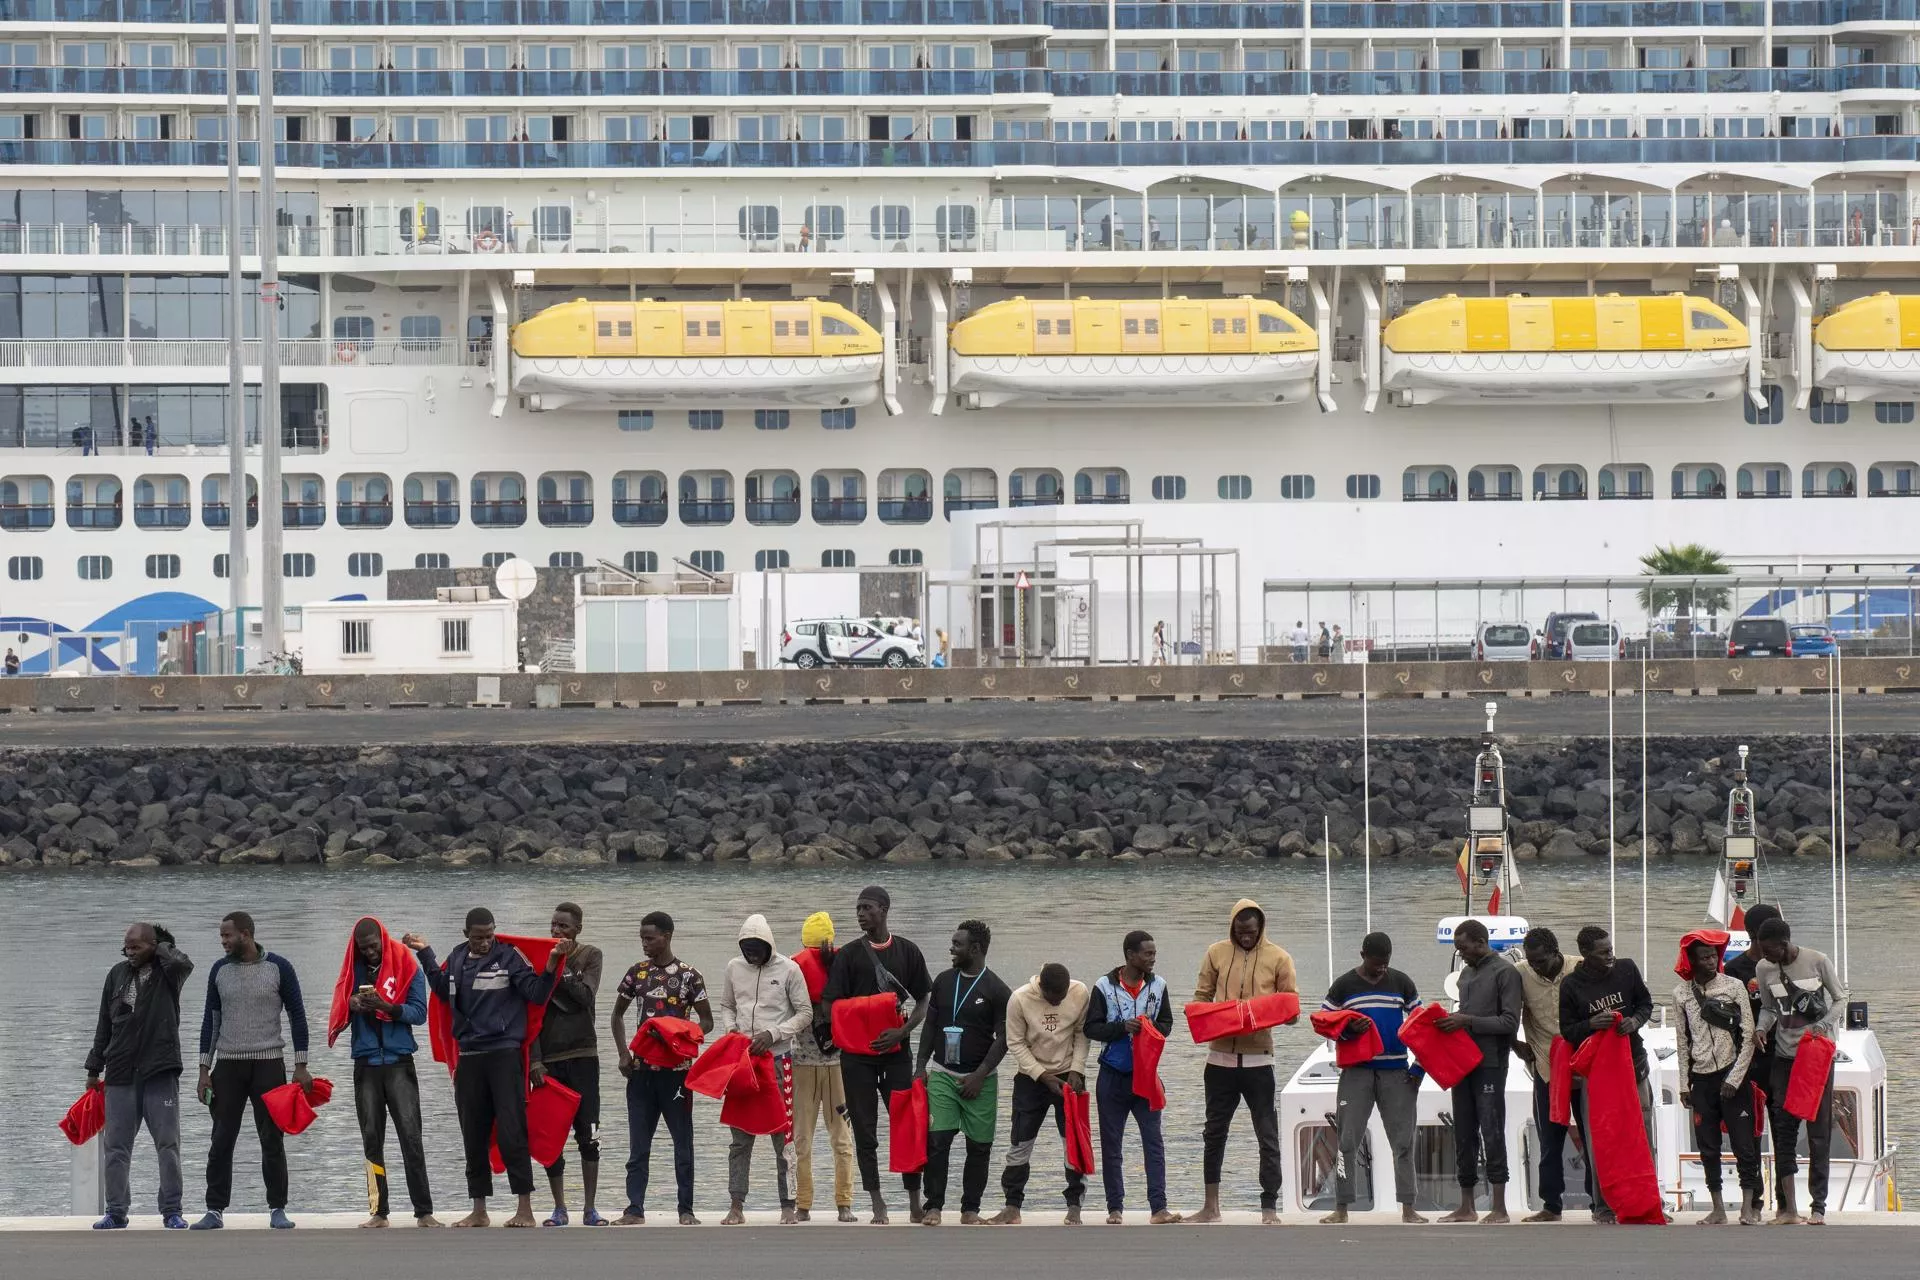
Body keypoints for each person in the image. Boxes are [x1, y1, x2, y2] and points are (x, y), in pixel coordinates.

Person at [406, 909, 569, 1229]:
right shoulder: (455, 958)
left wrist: (551, 964)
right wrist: (425, 953)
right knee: (473, 1134)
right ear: (466, 933)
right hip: (469, 1057)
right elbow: (441, 988)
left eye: (489, 935)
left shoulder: (509, 957)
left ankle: (525, 1208)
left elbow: (536, 993)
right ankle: (479, 1209)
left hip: (504, 1055)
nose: (484, 942)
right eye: (478, 937)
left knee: (512, 1131)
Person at [192, 911, 310, 1231]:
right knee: (221, 1140)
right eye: (221, 936)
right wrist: (204, 1069)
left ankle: (277, 1208)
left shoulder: (279, 968)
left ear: (245, 934)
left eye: (227, 936)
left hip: (269, 1063)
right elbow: (210, 1022)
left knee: (271, 1138)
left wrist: (301, 1066)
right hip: (227, 1065)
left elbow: (297, 1017)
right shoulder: (219, 970)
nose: (223, 942)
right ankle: (215, 1210)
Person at [822, 885, 933, 1224]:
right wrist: (853, 1029)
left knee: (908, 1125)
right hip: (857, 1057)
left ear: (884, 910)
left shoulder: (908, 951)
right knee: (865, 1129)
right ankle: (877, 1203)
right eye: (857, 908)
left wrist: (902, 1032)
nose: (860, 913)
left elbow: (924, 999)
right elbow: (829, 1004)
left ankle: (915, 1200)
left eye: (867, 908)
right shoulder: (849, 955)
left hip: (897, 1052)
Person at [1190, 898, 1295, 1225]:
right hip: (1219, 1059)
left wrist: (1261, 1013)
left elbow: (1291, 1009)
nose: (1245, 936)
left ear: (1260, 927)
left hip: (1259, 1061)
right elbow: (1201, 997)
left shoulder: (1279, 957)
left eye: (1250, 931)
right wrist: (1214, 1016)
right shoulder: (1216, 952)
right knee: (1214, 1132)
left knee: (1267, 1135)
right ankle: (1211, 1206)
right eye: (1239, 931)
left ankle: (1269, 1207)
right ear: (1232, 927)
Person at [86, 923, 194, 1230]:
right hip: (120, 1071)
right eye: (126, 948)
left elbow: (183, 962)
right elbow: (104, 1024)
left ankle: (172, 1210)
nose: (130, 953)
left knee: (167, 1145)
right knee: (116, 1146)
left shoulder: (169, 974)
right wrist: (94, 1069)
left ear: (154, 945)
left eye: (136, 947)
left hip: (160, 1070)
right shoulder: (117, 974)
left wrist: (160, 946)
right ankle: (116, 1211)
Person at [609, 910, 712, 1226]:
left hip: (677, 1073)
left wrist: (682, 1034)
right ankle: (635, 1208)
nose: (644, 943)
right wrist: (623, 1055)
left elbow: (707, 1021)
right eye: (642, 937)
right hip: (640, 1072)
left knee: (683, 1144)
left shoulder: (688, 976)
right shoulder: (636, 974)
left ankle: (686, 1210)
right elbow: (617, 1016)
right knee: (638, 1144)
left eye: (649, 938)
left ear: (667, 936)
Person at [1318, 932, 1425, 1225]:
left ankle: (1408, 1208)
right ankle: (1341, 1208)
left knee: (1403, 1143)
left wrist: (1419, 1068)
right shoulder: (1343, 986)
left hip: (1397, 1072)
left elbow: (1424, 1026)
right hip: (1357, 1072)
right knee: (1347, 1141)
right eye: (1377, 964)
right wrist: (1349, 1029)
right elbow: (1324, 1023)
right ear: (1362, 954)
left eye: (1386, 964)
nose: (1381, 969)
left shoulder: (1402, 983)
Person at [714, 913, 812, 1225]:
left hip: (778, 1061)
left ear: (768, 944)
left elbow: (805, 1012)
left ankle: (788, 1204)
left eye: (756, 948)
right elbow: (727, 1005)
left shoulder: (789, 969)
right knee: (739, 1138)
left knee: (782, 1137)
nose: (750, 954)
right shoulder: (733, 967)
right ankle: (736, 1205)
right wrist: (732, 1031)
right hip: (742, 1062)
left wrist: (774, 1034)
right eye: (746, 948)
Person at [341, 917, 436, 1228]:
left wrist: (387, 1007)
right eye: (363, 948)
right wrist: (353, 1003)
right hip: (366, 1064)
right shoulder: (351, 971)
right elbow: (339, 1008)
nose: (369, 952)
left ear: (383, 939)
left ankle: (424, 1211)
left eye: (373, 946)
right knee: (371, 1140)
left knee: (411, 1138)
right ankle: (378, 1212)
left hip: (398, 1063)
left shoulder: (408, 967)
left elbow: (419, 1013)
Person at [916, 920, 1011, 1227]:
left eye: (957, 944)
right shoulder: (943, 981)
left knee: (979, 1147)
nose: (951, 949)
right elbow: (930, 1026)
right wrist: (920, 1066)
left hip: (980, 1079)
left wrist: (981, 1074)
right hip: (943, 1073)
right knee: (938, 1140)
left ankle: (970, 1209)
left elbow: (1005, 1038)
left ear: (976, 949)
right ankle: (934, 1206)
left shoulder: (997, 989)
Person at [1557, 926, 1654, 1225]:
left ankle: (1649, 1199)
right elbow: (1567, 1031)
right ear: (1586, 954)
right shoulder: (1571, 985)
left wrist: (1634, 1021)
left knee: (1643, 1133)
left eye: (1610, 948)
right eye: (1603, 952)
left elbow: (1645, 1004)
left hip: (1633, 1065)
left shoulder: (1627, 969)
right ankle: (1604, 1205)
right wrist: (1591, 1024)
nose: (1611, 955)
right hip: (1597, 1073)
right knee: (1601, 1137)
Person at [1753, 916, 1845, 1225]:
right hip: (1784, 1055)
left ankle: (1818, 1206)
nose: (1763, 954)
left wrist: (1821, 1025)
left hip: (1816, 1056)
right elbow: (1768, 1008)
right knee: (1783, 1128)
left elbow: (1840, 998)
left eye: (1768, 949)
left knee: (1818, 1131)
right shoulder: (1764, 969)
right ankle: (1790, 1208)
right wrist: (1761, 1029)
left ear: (1784, 944)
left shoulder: (1817, 960)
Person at [1084, 930, 1179, 1225]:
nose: (1153, 958)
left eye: (1154, 953)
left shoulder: (1159, 985)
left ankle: (1158, 1208)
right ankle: (1115, 1208)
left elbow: (1167, 1023)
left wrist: (1151, 1029)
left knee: (1153, 1142)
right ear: (1129, 955)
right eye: (1147, 954)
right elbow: (1091, 1028)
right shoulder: (1103, 986)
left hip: (1146, 1075)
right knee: (1112, 1144)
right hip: (1112, 1075)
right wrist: (1121, 1027)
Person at [1435, 918, 1523, 1225]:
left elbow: (1509, 1023)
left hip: (1490, 1064)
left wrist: (1466, 1020)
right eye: (1458, 949)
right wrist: (1451, 1021)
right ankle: (1467, 1206)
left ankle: (1499, 1207)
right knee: (1464, 1133)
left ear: (1480, 942)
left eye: (1463, 947)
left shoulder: (1506, 973)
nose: (1461, 954)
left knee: (1492, 1130)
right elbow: (1468, 1017)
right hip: (1462, 1063)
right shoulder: (1466, 974)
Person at [993, 962, 1090, 1225]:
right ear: (1042, 988)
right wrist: (1041, 1075)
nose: (1058, 1003)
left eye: (1062, 998)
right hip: (1031, 1077)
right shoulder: (1020, 999)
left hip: (1069, 1076)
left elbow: (1082, 1034)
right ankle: (1012, 1206)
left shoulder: (1080, 992)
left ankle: (1074, 1206)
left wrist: (1077, 1069)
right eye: (1053, 998)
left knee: (1074, 1143)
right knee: (1020, 1142)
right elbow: (1015, 1042)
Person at [1672, 931, 1759, 1225]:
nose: (1711, 962)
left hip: (1732, 1071)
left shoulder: (1734, 987)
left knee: (1743, 1143)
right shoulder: (1681, 994)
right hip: (1701, 1078)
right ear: (1692, 961)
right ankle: (1718, 1207)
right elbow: (1682, 1041)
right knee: (1708, 1146)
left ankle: (1748, 1205)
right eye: (1704, 958)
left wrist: (1735, 1077)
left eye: (1713, 956)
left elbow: (1748, 1035)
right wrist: (1684, 1083)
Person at [530, 902, 605, 1227]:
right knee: (552, 1135)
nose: (556, 931)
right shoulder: (538, 961)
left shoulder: (591, 956)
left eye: (563, 927)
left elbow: (586, 997)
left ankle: (590, 1208)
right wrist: (534, 1060)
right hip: (549, 1061)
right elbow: (530, 1013)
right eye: (553, 925)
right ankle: (559, 1207)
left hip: (584, 1056)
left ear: (577, 930)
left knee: (588, 1134)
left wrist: (560, 966)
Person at [789, 911, 855, 1223]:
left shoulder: (794, 966)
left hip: (802, 1064)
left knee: (802, 1139)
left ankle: (803, 1206)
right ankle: (844, 1205)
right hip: (839, 1065)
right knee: (842, 1137)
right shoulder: (845, 968)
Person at [1720, 902, 1780, 1221]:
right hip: (1750, 1065)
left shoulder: (1786, 967)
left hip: (1782, 1061)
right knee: (1751, 1136)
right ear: (1754, 935)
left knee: (1783, 1131)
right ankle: (1754, 1201)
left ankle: (1785, 1202)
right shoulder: (1734, 972)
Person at [1512, 926, 1570, 1223]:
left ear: (1556, 952)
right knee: (1549, 1139)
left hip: (1581, 1066)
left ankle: (1602, 1202)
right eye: (1531, 962)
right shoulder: (1519, 973)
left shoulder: (1578, 968)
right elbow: (1505, 1009)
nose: (1536, 967)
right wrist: (1515, 1043)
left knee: (1592, 1133)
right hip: (1547, 1068)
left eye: (1541, 961)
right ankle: (1551, 1205)